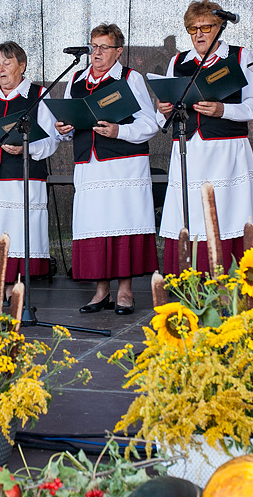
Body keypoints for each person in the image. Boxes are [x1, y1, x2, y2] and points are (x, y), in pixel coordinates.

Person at [156, 0, 253, 274]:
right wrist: (164, 108)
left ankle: (228, 278)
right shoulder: (177, 61)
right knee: (191, 212)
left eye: (206, 27)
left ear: (219, 27)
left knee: (228, 213)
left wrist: (223, 110)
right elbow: (163, 116)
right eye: (193, 29)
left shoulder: (240, 56)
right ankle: (191, 278)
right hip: (188, 149)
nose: (199, 34)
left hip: (227, 150)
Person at [55, 23, 159, 315]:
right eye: (93, 46)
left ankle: (125, 292)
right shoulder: (75, 78)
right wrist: (62, 128)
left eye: (104, 47)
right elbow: (64, 129)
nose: (96, 53)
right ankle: (101, 292)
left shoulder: (130, 78)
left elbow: (150, 124)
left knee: (122, 224)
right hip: (89, 166)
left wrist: (118, 131)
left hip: (123, 165)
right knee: (96, 226)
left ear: (118, 51)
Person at [0, 41, 59, 287]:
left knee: (17, 236)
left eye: (7, 63)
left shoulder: (38, 95)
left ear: (22, 65)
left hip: (22, 180)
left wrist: (26, 148)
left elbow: (52, 141)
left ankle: (13, 289)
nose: (1, 69)